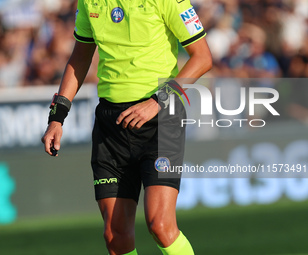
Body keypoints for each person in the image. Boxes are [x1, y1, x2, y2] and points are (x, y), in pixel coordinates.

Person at [41, 0, 212, 254]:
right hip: (111, 125)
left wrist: (158, 102)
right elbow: (80, 56)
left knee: (160, 225)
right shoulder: (89, 2)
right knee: (115, 234)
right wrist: (57, 117)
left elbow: (203, 58)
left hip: (160, 119)